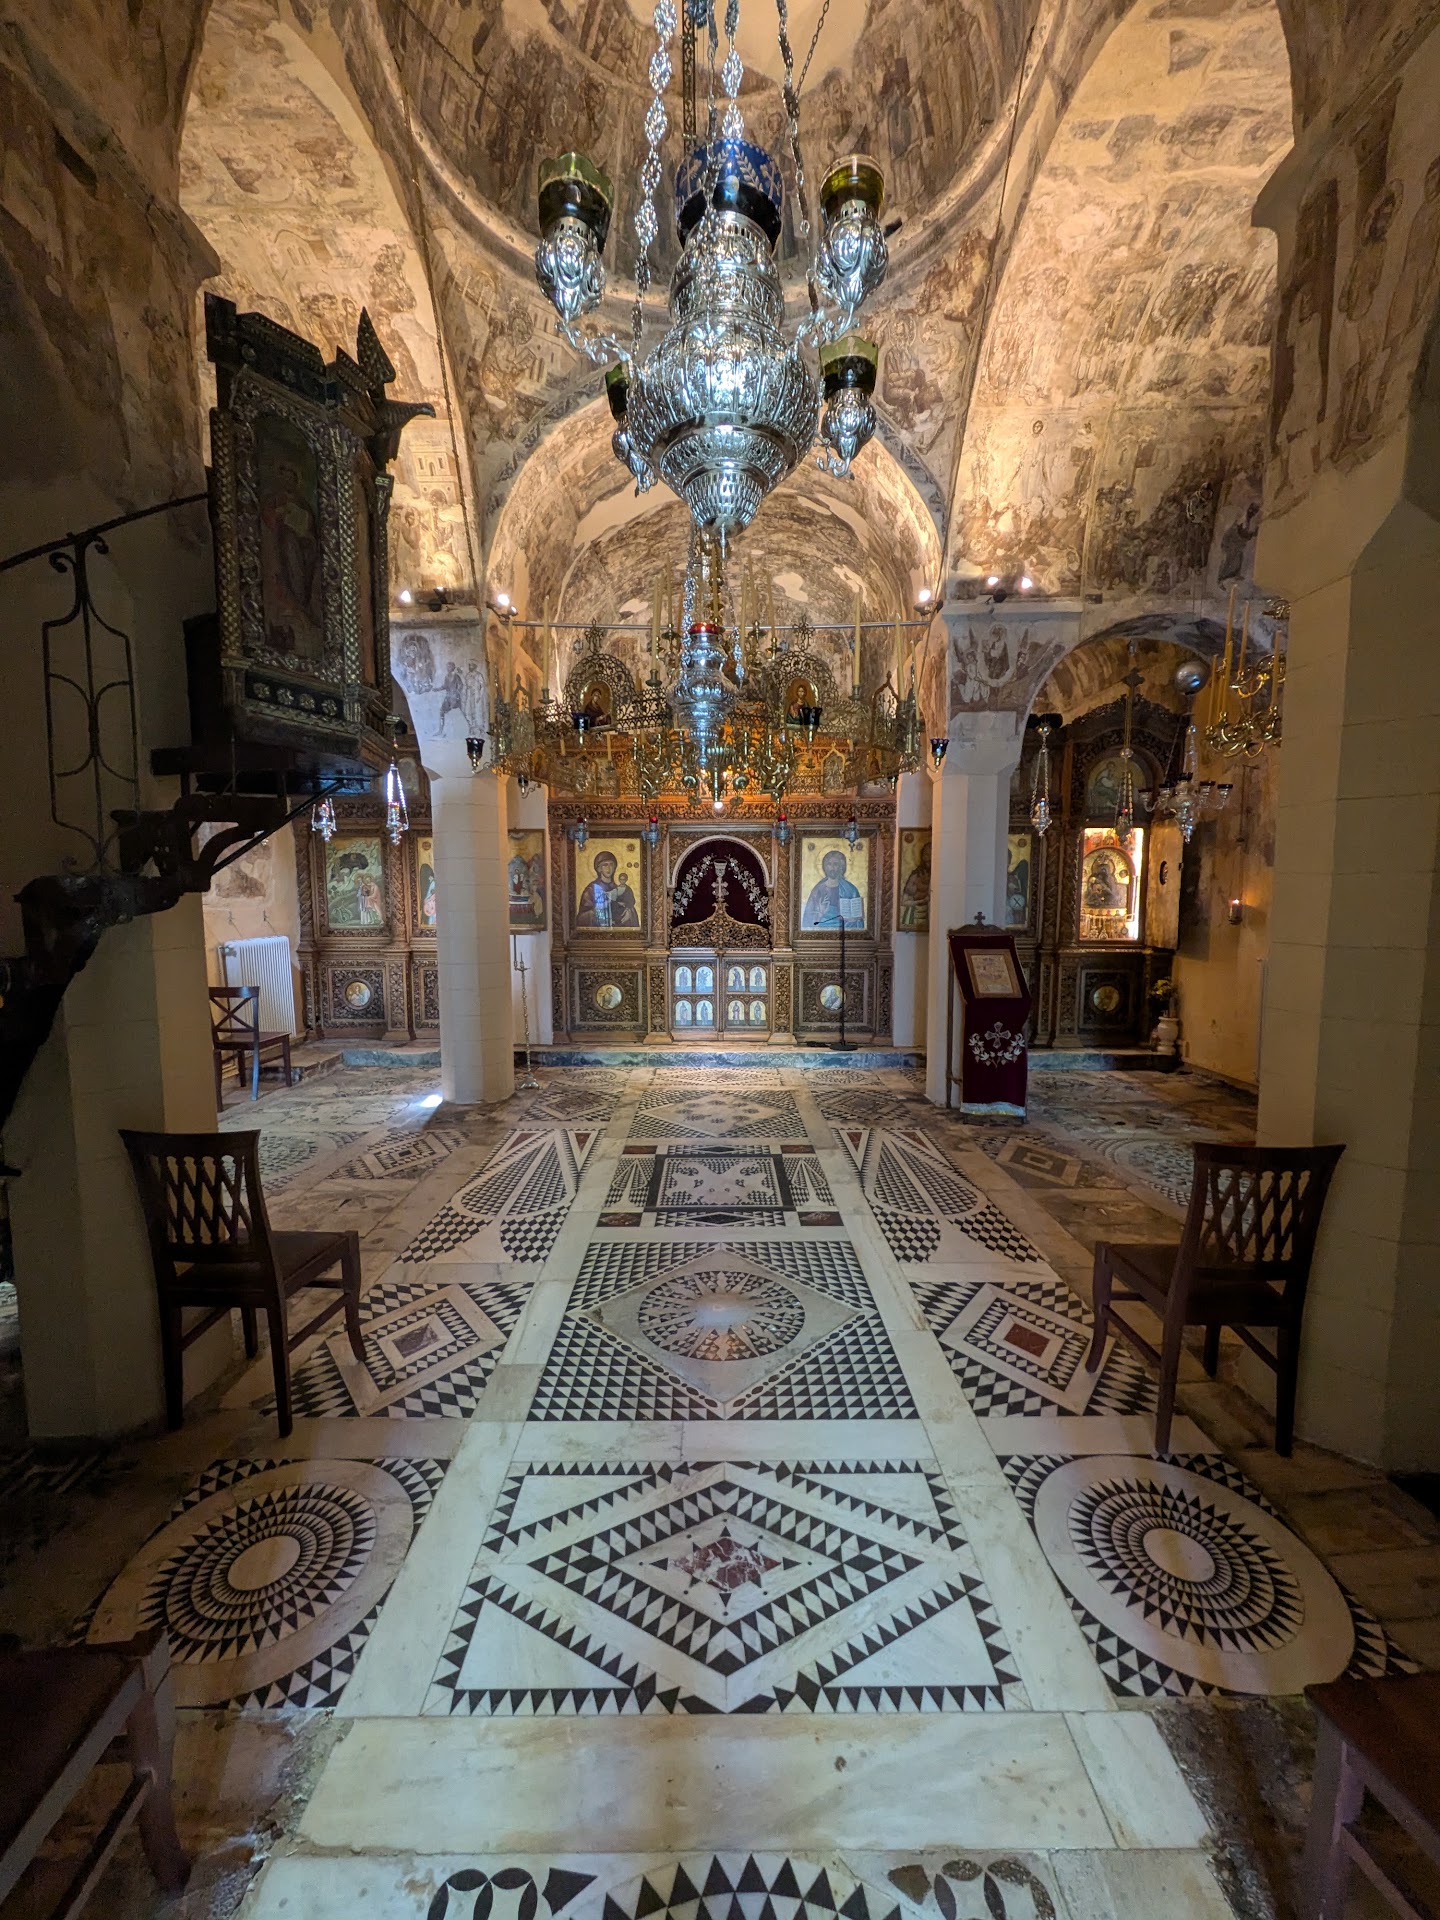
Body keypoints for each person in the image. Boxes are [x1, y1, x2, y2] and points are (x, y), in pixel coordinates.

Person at [802, 849, 864, 931]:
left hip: (845, 929)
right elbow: (808, 919)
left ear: (841, 867)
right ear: (825, 866)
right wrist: (820, 912)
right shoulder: (818, 890)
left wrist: (854, 919)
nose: (832, 868)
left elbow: (858, 920)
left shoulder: (850, 889)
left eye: (835, 864)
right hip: (822, 930)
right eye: (829, 864)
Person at [576, 850, 639, 929]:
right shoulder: (591, 889)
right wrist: (595, 913)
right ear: (599, 868)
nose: (609, 868)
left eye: (611, 864)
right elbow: (581, 917)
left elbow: (629, 906)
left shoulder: (619, 889)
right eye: (605, 865)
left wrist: (629, 912)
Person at [899, 839, 931, 930]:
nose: (929, 859)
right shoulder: (915, 876)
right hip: (913, 915)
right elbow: (904, 901)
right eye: (926, 855)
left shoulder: (938, 877)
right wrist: (921, 901)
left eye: (931, 855)